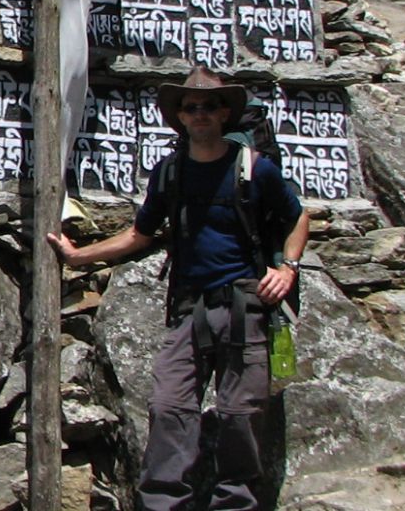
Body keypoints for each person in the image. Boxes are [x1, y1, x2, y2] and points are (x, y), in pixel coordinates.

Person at [47, 66, 311, 511]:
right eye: (193, 107)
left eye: (210, 106)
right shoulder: (170, 172)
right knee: (169, 407)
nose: (202, 113)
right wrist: (78, 257)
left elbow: (297, 217)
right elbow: (139, 234)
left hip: (246, 305)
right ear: (181, 117)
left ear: (225, 113)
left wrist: (288, 268)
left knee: (240, 415)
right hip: (189, 307)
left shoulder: (255, 169)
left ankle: (236, 505)